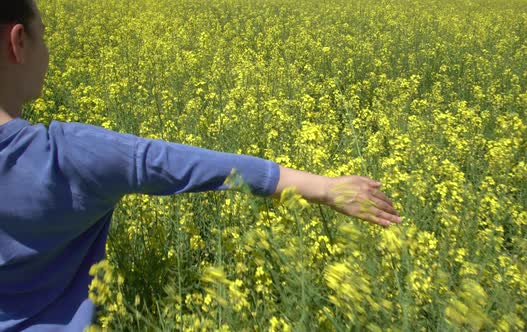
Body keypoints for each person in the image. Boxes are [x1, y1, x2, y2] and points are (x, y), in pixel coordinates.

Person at [0, 0, 402, 330]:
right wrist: (328, 188)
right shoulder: (70, 154)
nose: (48, 50)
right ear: (18, 42)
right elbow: (194, 165)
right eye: (45, 36)